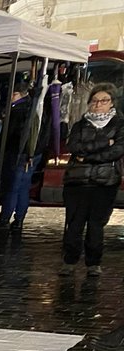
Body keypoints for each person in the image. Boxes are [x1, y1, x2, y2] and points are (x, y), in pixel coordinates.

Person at [60, 84, 123, 278]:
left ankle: (93, 263)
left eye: (104, 100)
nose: (98, 104)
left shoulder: (119, 124)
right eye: (95, 100)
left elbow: (117, 151)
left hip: (105, 182)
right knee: (74, 224)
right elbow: (74, 147)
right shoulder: (81, 124)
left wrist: (87, 156)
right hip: (77, 181)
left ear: (111, 103)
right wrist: (104, 143)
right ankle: (69, 261)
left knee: (96, 225)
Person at [0, 85, 33, 231]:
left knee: (13, 187)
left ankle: (4, 219)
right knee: (23, 187)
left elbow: (8, 135)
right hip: (30, 153)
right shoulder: (32, 108)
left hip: (17, 152)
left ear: (17, 94)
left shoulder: (16, 111)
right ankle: (19, 219)